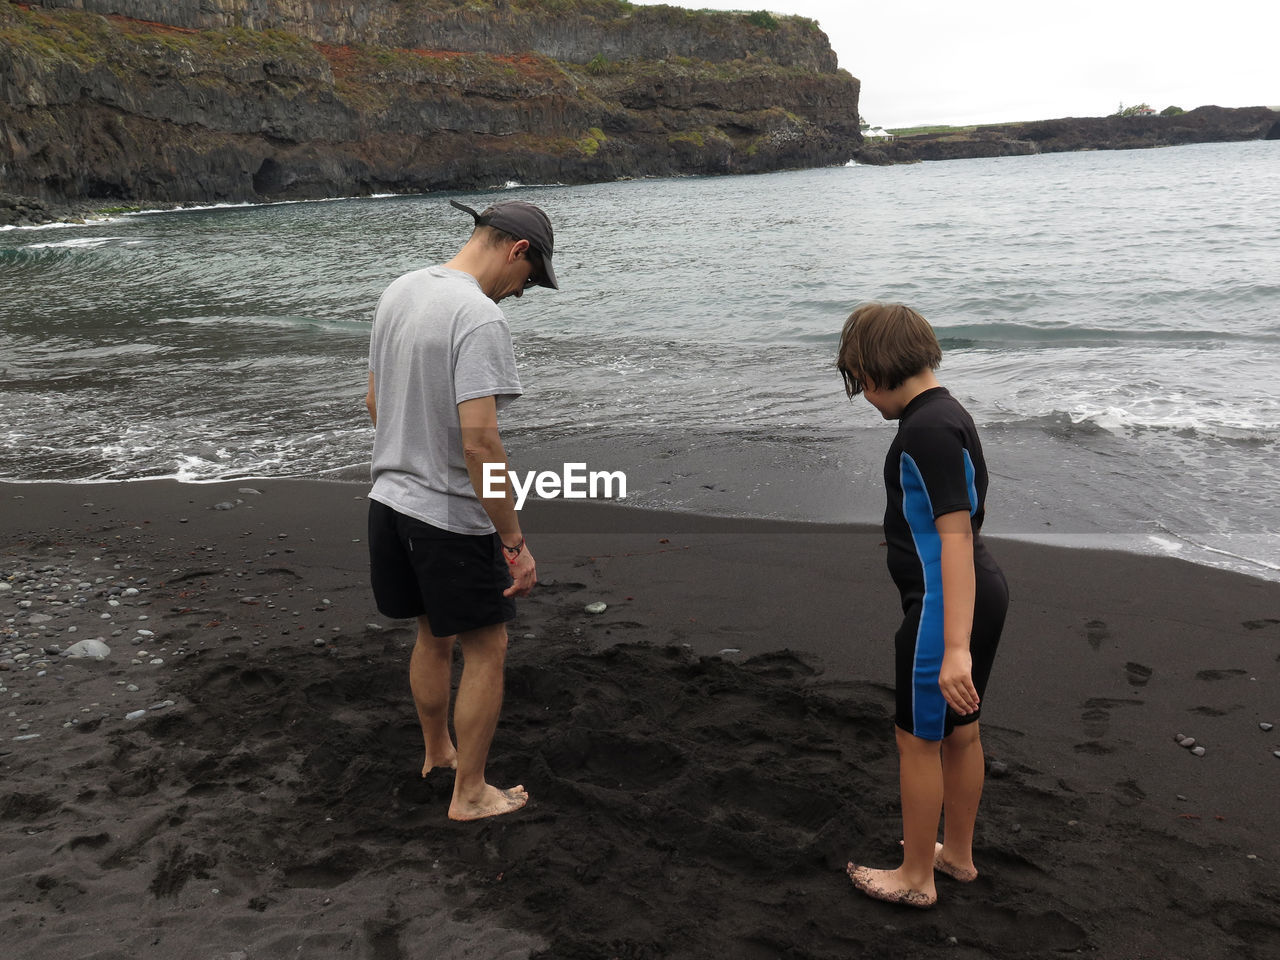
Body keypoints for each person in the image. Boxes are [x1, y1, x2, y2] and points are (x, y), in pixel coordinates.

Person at [364, 198, 557, 821]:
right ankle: (470, 794)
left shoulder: (401, 289)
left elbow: (374, 399)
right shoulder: (478, 317)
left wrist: (410, 454)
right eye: (529, 278)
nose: (522, 292)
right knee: (488, 648)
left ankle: (438, 755)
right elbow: (480, 441)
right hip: (447, 514)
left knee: (431, 632)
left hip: (389, 499)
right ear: (516, 250)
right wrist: (513, 541)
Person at [836, 303, 1009, 907]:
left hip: (944, 607)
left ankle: (915, 877)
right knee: (962, 732)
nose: (864, 397)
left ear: (875, 369)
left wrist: (953, 646)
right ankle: (956, 855)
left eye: (858, 382)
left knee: (918, 740)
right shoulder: (949, 412)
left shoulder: (925, 430)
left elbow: (954, 534)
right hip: (980, 593)